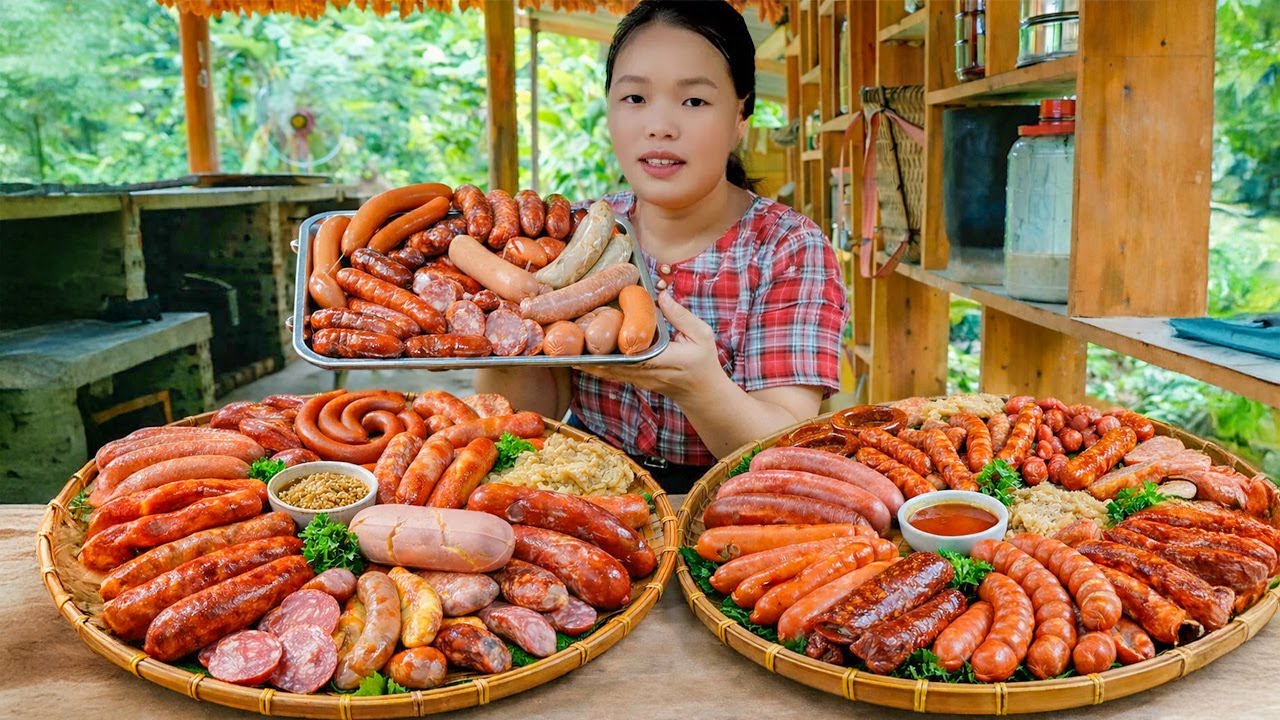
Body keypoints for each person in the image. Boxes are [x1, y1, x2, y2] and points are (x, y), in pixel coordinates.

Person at [476, 0, 849, 492]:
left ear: (741, 115)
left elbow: (785, 448)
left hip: (731, 501)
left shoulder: (789, 248)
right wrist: (506, 327)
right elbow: (531, 415)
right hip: (584, 483)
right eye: (635, 98)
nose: (660, 126)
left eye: (694, 101)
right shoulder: (579, 228)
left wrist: (700, 386)